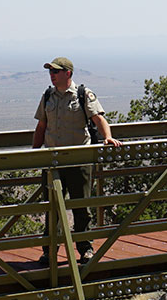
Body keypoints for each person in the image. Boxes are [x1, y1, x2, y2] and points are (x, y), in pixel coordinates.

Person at [31, 57, 122, 263]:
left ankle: (85, 249)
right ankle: (49, 251)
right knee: (52, 208)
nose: (52, 75)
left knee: (81, 207)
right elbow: (41, 126)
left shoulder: (82, 94)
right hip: (52, 161)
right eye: (50, 72)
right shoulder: (47, 95)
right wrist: (34, 154)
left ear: (68, 73)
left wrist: (107, 137)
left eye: (56, 71)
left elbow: (98, 118)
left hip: (78, 161)